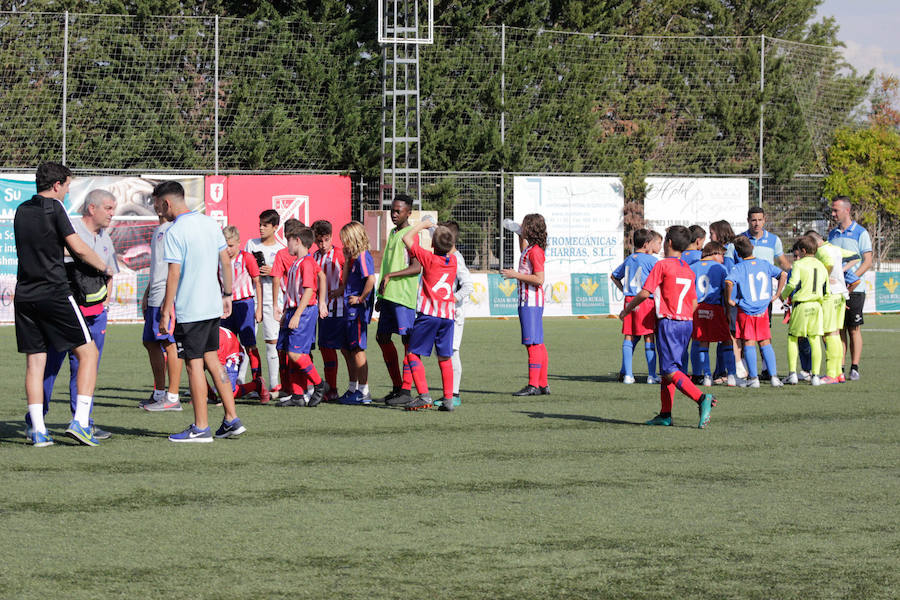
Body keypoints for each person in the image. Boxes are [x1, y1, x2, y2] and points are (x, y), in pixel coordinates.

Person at [15, 163, 113, 447]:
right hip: (54, 293)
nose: (68, 191)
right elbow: (78, 247)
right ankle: (81, 423)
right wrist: (103, 267)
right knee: (89, 353)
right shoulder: (54, 208)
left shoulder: (22, 210)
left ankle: (38, 430)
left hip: (25, 296)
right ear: (56, 185)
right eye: (68, 186)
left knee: (35, 362)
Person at [157, 180, 246, 442]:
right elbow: (225, 261)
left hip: (191, 309)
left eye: (158, 206)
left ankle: (200, 427)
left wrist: (165, 310)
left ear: (167, 203)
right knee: (212, 360)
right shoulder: (210, 223)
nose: (159, 211)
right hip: (211, 306)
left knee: (193, 365)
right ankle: (231, 418)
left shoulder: (174, 231)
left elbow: (174, 273)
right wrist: (227, 295)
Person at [36, 189, 119, 441]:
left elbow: (110, 273)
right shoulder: (69, 230)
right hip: (67, 312)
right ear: (91, 208)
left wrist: (105, 302)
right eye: (108, 208)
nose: (112, 214)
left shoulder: (106, 237)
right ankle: (36, 420)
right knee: (50, 365)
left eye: (113, 208)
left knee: (87, 365)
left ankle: (83, 421)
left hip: (96, 314)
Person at [619, 226, 716, 429]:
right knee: (670, 370)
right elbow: (694, 301)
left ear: (668, 243)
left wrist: (627, 310)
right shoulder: (688, 270)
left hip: (669, 323)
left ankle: (701, 398)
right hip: (686, 323)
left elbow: (645, 293)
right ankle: (665, 414)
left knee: (669, 370)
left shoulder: (662, 266)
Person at [398, 218, 458, 411]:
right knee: (445, 357)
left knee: (412, 354)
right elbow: (447, 245)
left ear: (432, 243)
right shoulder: (454, 260)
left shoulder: (429, 259)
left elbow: (406, 238)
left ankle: (424, 395)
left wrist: (422, 226)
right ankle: (448, 398)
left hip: (429, 314)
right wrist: (441, 232)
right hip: (448, 316)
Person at [376, 195, 422, 405]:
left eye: (399, 211)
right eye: (392, 210)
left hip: (403, 297)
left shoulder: (410, 235)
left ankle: (406, 389)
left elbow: (417, 266)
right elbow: (388, 265)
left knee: (407, 342)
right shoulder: (394, 232)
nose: (394, 214)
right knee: (382, 338)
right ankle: (396, 386)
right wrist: (380, 293)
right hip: (388, 296)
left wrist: (391, 277)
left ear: (408, 213)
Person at [275, 224, 328, 407]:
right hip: (293, 310)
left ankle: (319, 384)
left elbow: (308, 290)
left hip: (303, 312)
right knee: (290, 353)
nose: (286, 245)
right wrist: (286, 313)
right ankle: (297, 395)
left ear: (297, 241)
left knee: (296, 353)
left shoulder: (305, 262)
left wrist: (297, 314)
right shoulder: (298, 262)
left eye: (288, 241)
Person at [140, 192, 184, 412]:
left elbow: (175, 269)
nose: (154, 205)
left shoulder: (175, 231)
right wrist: (147, 292)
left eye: (157, 200)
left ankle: (173, 397)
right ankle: (159, 392)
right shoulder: (158, 231)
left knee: (169, 342)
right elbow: (157, 266)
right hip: (155, 294)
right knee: (149, 342)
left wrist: (169, 299)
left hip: (168, 296)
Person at [725, 236, 787, 388]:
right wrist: (777, 294)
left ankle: (753, 378)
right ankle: (773, 377)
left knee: (749, 342)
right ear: (752, 248)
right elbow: (783, 274)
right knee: (765, 342)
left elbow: (728, 282)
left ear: (738, 255)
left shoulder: (739, 267)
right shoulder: (764, 264)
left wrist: (729, 300)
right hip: (762, 310)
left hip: (746, 310)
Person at [501, 214, 550, 396]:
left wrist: (515, 275)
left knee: (532, 343)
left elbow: (539, 279)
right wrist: (517, 233)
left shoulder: (535, 251)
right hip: (528, 300)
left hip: (531, 300)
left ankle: (533, 385)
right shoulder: (530, 248)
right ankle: (542, 384)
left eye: (524, 225)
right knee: (538, 342)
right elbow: (522, 247)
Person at [827, 196, 873, 381]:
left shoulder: (861, 233)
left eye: (835, 210)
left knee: (853, 328)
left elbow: (867, 261)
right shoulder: (832, 234)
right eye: (832, 210)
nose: (833, 214)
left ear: (847, 210)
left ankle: (854, 367)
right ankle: (840, 367)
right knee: (839, 329)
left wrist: (851, 281)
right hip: (836, 291)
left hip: (854, 290)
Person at [221, 225, 268, 403]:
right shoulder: (219, 260)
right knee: (225, 348)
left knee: (250, 346)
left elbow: (258, 282)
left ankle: (258, 383)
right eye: (225, 245)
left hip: (244, 305)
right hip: (226, 307)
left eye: (231, 245)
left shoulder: (246, 258)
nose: (228, 249)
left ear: (238, 243)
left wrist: (259, 308)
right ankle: (228, 384)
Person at [610, 228, 660, 385]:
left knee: (629, 336)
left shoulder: (630, 258)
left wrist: (624, 290)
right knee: (649, 336)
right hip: (645, 300)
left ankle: (628, 375)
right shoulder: (652, 260)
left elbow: (614, 276)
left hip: (629, 300)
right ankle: (652, 375)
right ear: (646, 244)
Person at [806, 230, 856, 383]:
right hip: (841, 294)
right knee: (835, 333)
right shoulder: (834, 248)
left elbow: (828, 264)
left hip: (830, 295)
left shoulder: (821, 251)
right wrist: (841, 271)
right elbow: (856, 256)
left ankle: (831, 374)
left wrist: (826, 277)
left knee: (829, 335)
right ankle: (838, 373)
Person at [244, 209, 285, 394]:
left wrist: (273, 272)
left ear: (275, 227)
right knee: (248, 342)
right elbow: (242, 268)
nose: (260, 228)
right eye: (259, 224)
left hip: (272, 301)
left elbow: (287, 277)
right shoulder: (250, 244)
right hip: (250, 299)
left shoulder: (282, 248)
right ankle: (247, 383)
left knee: (271, 342)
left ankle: (274, 384)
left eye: (265, 225)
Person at [336, 221, 377, 405]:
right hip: (348, 309)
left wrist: (361, 298)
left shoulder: (363, 256)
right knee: (348, 349)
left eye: (346, 240)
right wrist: (345, 261)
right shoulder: (353, 258)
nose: (344, 244)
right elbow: (344, 282)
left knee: (358, 349)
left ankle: (364, 391)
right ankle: (353, 388)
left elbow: (371, 279)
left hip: (356, 311)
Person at [781, 236, 829, 386]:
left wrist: (783, 296)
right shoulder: (822, 266)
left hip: (802, 305)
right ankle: (815, 376)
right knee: (815, 339)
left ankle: (793, 374)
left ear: (803, 250)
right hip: (817, 305)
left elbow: (792, 283)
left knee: (793, 338)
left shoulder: (799, 264)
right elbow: (826, 290)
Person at [435, 220, 473, 409]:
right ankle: (448, 393)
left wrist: (453, 299)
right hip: (443, 313)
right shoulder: (443, 256)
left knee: (452, 353)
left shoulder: (456, 259)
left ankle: (454, 394)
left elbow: (468, 286)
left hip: (454, 314)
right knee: (444, 353)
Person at [689, 241, 734, 386]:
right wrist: (728, 310)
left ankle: (707, 376)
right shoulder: (720, 268)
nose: (723, 259)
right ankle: (732, 376)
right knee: (726, 339)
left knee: (704, 341)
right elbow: (726, 290)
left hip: (697, 309)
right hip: (715, 308)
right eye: (722, 255)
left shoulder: (692, 267)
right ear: (713, 253)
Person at [312, 219, 346, 401]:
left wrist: (342, 289)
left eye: (326, 239)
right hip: (322, 311)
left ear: (331, 237)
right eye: (319, 240)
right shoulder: (314, 257)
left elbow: (350, 278)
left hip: (340, 310)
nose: (323, 244)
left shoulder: (340, 255)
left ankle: (356, 387)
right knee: (325, 348)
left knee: (347, 350)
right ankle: (332, 388)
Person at [269, 218, 303, 398]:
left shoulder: (282, 254)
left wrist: (275, 305)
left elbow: (276, 280)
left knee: (284, 348)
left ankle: (289, 387)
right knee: (302, 349)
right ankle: (302, 386)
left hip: (289, 307)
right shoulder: (307, 254)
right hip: (304, 307)